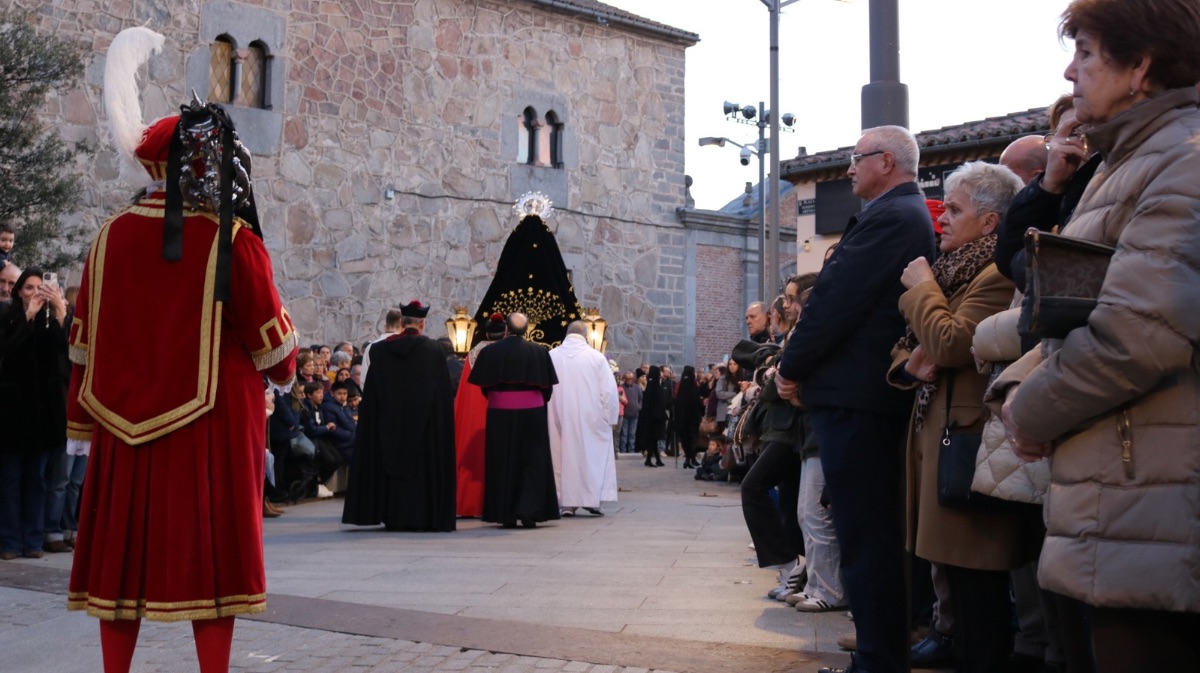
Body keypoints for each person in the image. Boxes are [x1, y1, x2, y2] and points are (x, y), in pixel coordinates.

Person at [65, 27, 299, 673]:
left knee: (123, 566)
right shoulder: (234, 239)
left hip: (121, 428)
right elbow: (275, 350)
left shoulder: (107, 237)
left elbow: (82, 341)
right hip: (211, 426)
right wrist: (284, 367)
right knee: (210, 563)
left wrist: (82, 421)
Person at [997, 2, 1200, 670]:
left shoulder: (1180, 159)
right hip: (1128, 495)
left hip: (1160, 503)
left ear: (1141, 65)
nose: (1069, 69)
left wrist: (1030, 407)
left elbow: (1141, 332)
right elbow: (1075, 305)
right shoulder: (1129, 161)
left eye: (1085, 51)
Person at [775, 125, 936, 673]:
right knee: (866, 536)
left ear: (886, 161)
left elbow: (835, 302)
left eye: (855, 158)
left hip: (859, 398)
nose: (848, 169)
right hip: (858, 395)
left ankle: (876, 662)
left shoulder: (893, 217)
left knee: (867, 538)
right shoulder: (898, 215)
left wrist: (790, 368)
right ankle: (875, 656)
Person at [890, 161, 1036, 673]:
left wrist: (922, 287)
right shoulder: (957, 272)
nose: (941, 220)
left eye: (954, 209)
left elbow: (950, 343)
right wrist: (910, 360)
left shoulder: (996, 274)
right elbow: (911, 347)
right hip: (944, 440)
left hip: (969, 446)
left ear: (991, 222)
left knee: (979, 593)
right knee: (956, 580)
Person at [342, 300, 456, 532]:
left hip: (388, 424)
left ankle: (391, 515)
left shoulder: (379, 350)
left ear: (402, 323)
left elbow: (372, 392)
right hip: (424, 427)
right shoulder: (434, 350)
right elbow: (441, 395)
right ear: (422, 324)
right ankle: (422, 516)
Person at [0, 269, 69, 560]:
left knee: (38, 480)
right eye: (29, 288)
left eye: (40, 288)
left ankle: (33, 540)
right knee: (11, 479)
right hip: (13, 413)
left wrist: (61, 311)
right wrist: (27, 316)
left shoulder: (50, 318)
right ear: (18, 291)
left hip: (43, 415)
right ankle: (10, 542)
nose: (35, 293)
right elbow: (6, 348)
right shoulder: (8, 315)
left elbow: (66, 351)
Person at [468, 312, 559, 528]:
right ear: (526, 330)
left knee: (503, 460)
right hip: (533, 414)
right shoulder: (540, 351)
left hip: (500, 413)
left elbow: (485, 387)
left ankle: (505, 514)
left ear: (507, 329)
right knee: (532, 463)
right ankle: (530, 513)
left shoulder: (489, 352)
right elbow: (547, 389)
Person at [547, 321, 620, 517]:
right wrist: (610, 417)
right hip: (591, 417)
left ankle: (565, 501)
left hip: (557, 415)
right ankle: (592, 499)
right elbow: (609, 391)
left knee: (561, 456)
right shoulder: (596, 358)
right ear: (586, 335)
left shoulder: (551, 356)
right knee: (590, 456)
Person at [453, 312, 506, 518]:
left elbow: (466, 391)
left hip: (475, 412)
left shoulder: (474, 353)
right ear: (505, 333)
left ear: (486, 333)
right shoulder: (505, 352)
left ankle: (470, 503)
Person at [359, 308, 403, 390]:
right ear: (403, 327)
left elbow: (364, 381)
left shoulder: (371, 348)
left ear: (385, 327)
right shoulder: (406, 345)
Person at [636, 366, 668, 467]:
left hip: (650, 418)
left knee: (653, 439)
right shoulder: (657, 388)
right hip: (656, 418)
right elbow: (661, 403)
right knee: (653, 439)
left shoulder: (650, 387)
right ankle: (650, 459)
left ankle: (654, 459)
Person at [673, 366, 702, 468]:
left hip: (682, 418)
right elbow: (697, 402)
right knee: (691, 439)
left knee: (685, 439)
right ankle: (690, 458)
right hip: (691, 418)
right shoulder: (693, 385)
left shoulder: (681, 385)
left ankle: (689, 459)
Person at [618, 371, 642, 453]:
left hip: (635, 414)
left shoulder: (637, 387)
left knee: (632, 434)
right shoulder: (621, 387)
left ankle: (631, 450)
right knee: (624, 434)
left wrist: (639, 407)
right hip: (625, 414)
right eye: (627, 378)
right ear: (625, 379)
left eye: (631, 378)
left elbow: (640, 399)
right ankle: (623, 450)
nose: (629, 380)